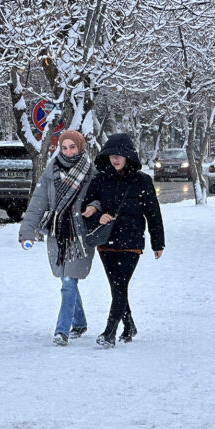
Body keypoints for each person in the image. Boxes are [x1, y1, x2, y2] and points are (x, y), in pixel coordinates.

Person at [81, 133, 165, 348]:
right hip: (106, 241)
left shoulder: (142, 181)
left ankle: (109, 332)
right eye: (111, 155)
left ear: (128, 156)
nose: (115, 159)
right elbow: (87, 208)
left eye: (120, 155)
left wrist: (158, 242)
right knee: (117, 288)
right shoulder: (99, 179)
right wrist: (99, 216)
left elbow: (153, 213)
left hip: (131, 241)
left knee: (120, 285)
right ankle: (129, 325)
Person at [18, 130, 95, 346]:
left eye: (73, 147)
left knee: (69, 281)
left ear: (81, 147)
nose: (69, 151)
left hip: (80, 235)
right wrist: (27, 232)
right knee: (66, 279)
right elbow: (37, 203)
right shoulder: (51, 171)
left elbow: (100, 198)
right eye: (64, 147)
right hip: (56, 233)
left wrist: (94, 207)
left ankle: (62, 331)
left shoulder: (91, 172)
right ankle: (79, 322)